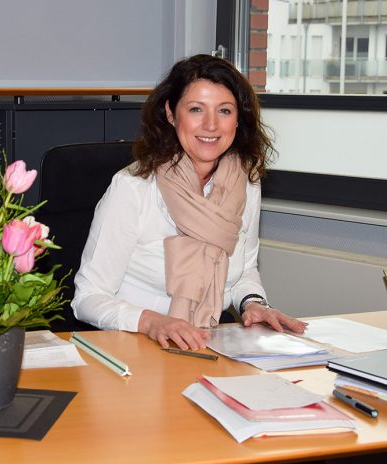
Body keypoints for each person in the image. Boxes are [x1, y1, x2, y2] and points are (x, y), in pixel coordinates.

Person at [71, 54, 307, 351]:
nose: (211, 125)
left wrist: (253, 303)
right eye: (196, 109)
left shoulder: (246, 183)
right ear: (171, 114)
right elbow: (87, 298)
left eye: (224, 110)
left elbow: (243, 269)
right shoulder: (133, 188)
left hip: (206, 344)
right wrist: (152, 322)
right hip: (133, 347)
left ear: (238, 119)